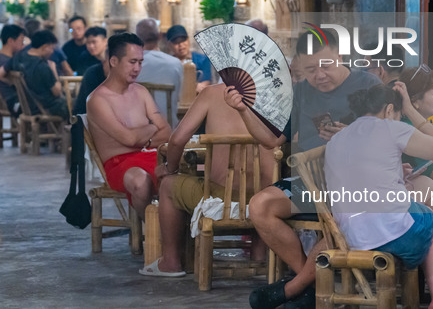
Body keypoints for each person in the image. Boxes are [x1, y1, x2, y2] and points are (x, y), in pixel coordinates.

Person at [225, 32, 381, 308]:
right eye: (309, 70)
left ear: (340, 56)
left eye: (326, 66)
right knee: (260, 206)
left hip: (359, 184)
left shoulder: (368, 85)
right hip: (311, 183)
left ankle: (296, 288)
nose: (319, 75)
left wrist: (353, 135)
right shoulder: (300, 93)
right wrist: (243, 110)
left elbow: (391, 137)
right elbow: (272, 139)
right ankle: (310, 285)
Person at [325, 83, 433, 308]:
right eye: (400, 115)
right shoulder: (391, 127)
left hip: (352, 238)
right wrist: (411, 109)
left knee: (408, 213)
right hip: (395, 235)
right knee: (432, 228)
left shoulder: (338, 138)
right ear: (390, 110)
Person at [140, 84, 278, 277]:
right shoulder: (280, 95)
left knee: (169, 186)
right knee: (264, 185)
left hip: (219, 197)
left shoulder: (213, 93)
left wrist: (170, 168)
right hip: (269, 200)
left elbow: (178, 140)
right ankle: (259, 256)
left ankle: (171, 262)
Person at [86, 33, 171, 220]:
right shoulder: (98, 100)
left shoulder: (141, 91)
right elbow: (128, 139)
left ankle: (178, 231)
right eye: (132, 62)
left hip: (152, 155)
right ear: (114, 61)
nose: (137, 68)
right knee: (141, 181)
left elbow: (166, 131)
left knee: (189, 173)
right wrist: (150, 128)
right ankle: (149, 231)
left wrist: (142, 138)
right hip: (119, 164)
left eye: (140, 62)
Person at [0, 30, 69, 120]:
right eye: (52, 48)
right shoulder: (42, 66)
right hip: (44, 109)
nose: (52, 52)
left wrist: (15, 84)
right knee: (75, 105)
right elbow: (57, 92)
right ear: (45, 47)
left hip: (25, 106)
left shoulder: (18, 57)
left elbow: (1, 73)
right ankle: (72, 133)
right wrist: (53, 70)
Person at [136, 18, 183, 127]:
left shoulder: (132, 65)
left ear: (137, 39)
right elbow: (181, 97)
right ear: (160, 36)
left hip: (140, 131)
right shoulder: (175, 63)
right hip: (169, 129)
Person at [72, 27, 110, 115]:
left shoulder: (112, 56)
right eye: (88, 43)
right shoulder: (85, 58)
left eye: (94, 42)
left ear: (105, 41)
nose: (91, 46)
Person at [167, 25, 212, 93]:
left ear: (188, 40)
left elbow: (205, 83)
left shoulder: (203, 60)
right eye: (176, 42)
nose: (181, 45)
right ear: (169, 45)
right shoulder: (168, 63)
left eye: (183, 40)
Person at [0, 24, 26, 117]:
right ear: (11, 41)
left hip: (10, 102)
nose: (23, 43)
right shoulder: (8, 62)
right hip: (14, 102)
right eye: (21, 40)